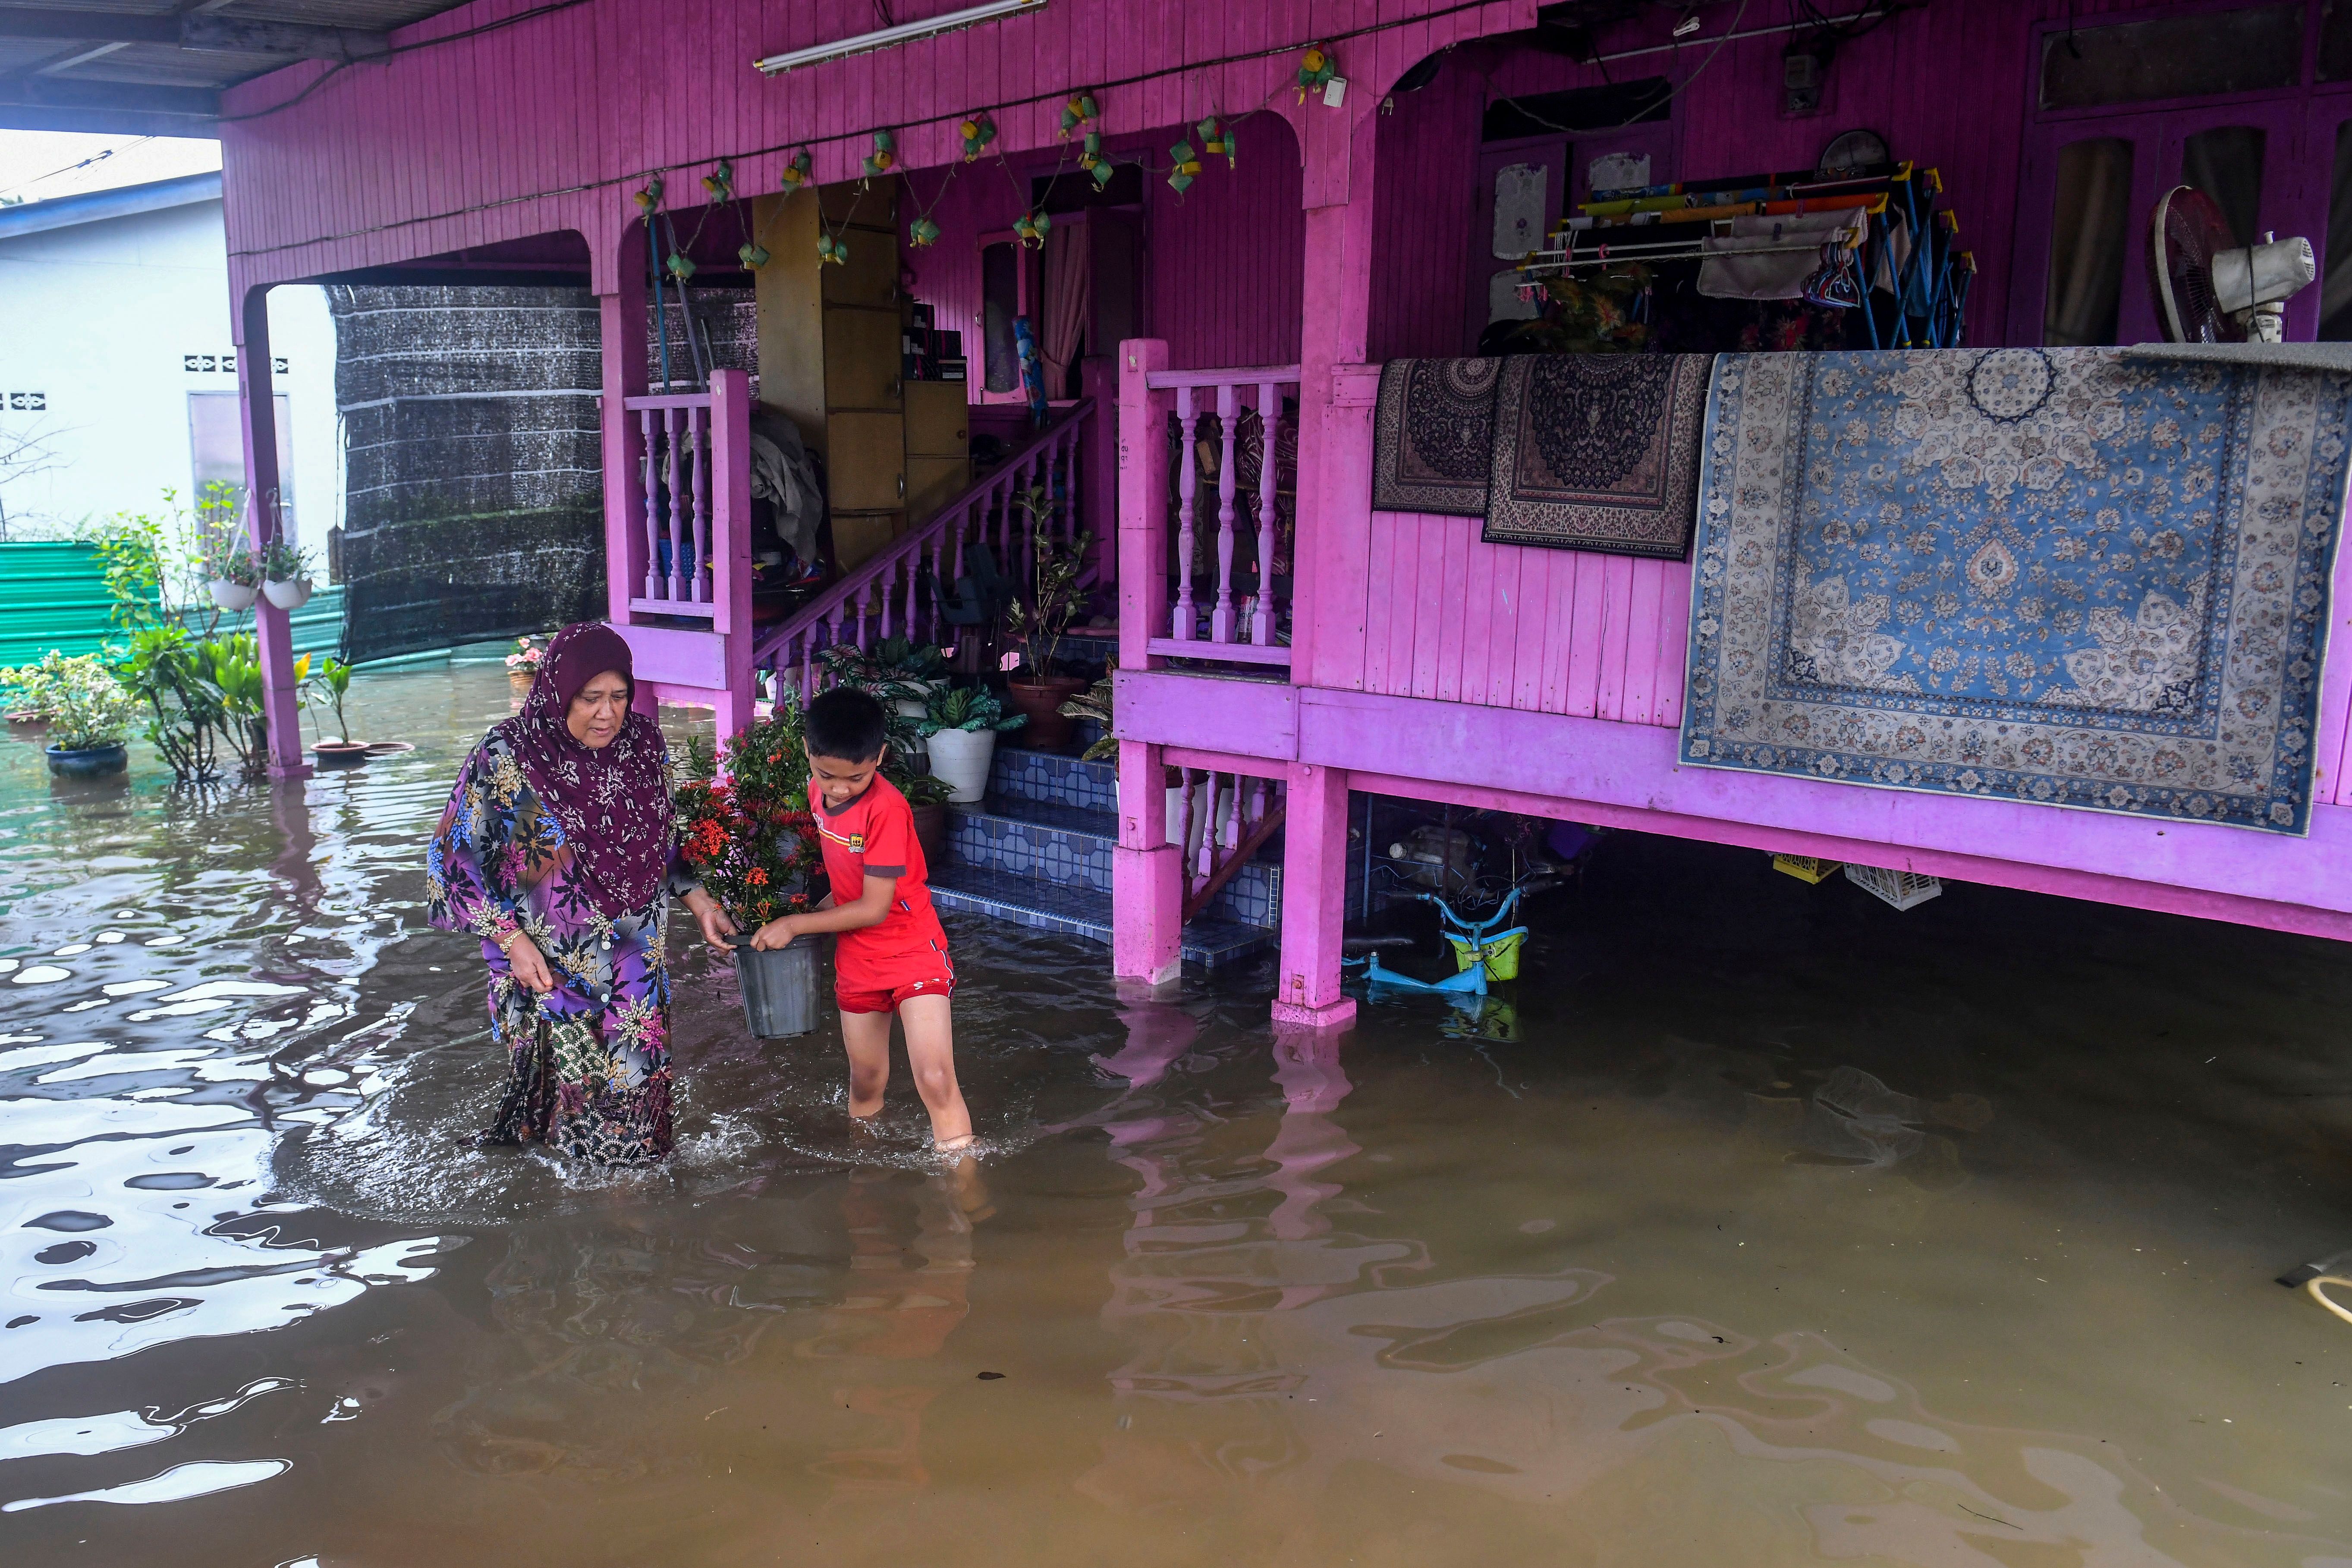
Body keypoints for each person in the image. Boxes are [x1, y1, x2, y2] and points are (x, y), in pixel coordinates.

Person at [426, 622, 737, 1165]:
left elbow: (660, 838)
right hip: (549, 971)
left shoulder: (643, 744)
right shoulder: (505, 756)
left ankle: (633, 1235)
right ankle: (581, 1236)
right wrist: (510, 938)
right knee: (573, 1133)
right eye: (590, 698)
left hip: (636, 965)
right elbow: (453, 858)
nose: (607, 713)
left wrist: (700, 900)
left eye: (619, 696)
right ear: (559, 691)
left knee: (640, 1137)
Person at [748, 686, 972, 1150]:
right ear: (808, 752)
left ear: (879, 757)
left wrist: (795, 925)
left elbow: (874, 906)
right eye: (826, 774)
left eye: (855, 777)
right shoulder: (817, 793)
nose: (839, 788)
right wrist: (807, 914)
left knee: (935, 1077)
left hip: (913, 950)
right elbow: (849, 885)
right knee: (867, 1079)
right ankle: (865, 1171)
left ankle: (963, 1194)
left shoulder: (887, 809)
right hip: (859, 957)